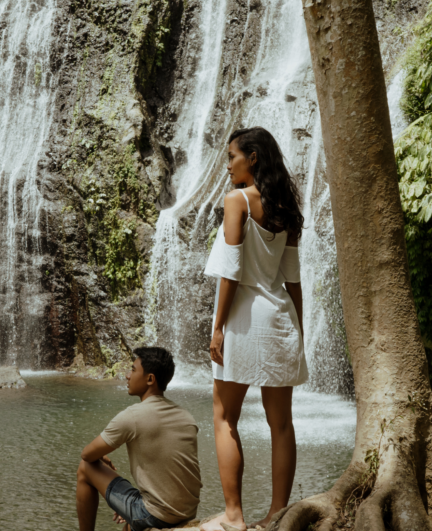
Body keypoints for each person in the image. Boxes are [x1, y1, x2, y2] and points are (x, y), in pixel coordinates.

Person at [201, 127, 307, 531]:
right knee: (281, 424)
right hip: (279, 317)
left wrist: (218, 328)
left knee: (225, 417)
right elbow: (292, 278)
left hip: (243, 320)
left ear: (253, 158)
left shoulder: (238, 200)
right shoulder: (285, 205)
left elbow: (230, 272)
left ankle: (234, 516)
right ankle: (278, 514)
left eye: (232, 157)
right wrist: (298, 329)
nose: (228, 165)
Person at [76, 347, 202, 531]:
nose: (127, 376)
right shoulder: (186, 416)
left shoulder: (133, 416)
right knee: (129, 524)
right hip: (187, 512)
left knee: (85, 468)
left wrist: (99, 457)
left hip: (156, 515)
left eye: (133, 370)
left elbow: (87, 455)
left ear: (150, 379)